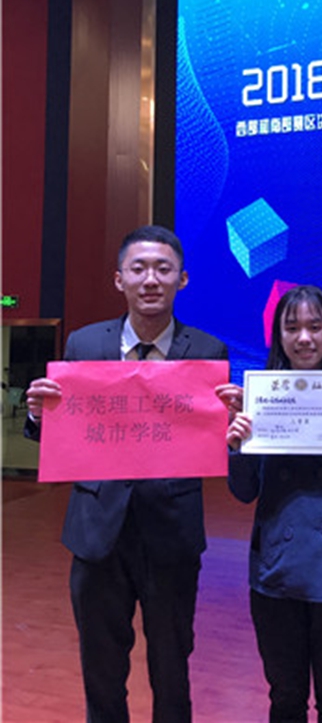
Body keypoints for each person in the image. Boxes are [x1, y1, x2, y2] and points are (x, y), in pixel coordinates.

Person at [25, 225, 228, 723]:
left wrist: (233, 423)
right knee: (101, 666)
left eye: (163, 269)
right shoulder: (83, 344)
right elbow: (62, 435)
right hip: (98, 533)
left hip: (171, 534)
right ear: (120, 279)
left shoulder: (208, 351)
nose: (150, 279)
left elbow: (214, 442)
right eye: (139, 269)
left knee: (172, 666)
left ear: (182, 279)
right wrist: (37, 416)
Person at [217, 285, 322, 723]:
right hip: (276, 569)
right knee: (285, 696)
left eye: (315, 326)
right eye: (292, 328)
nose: (304, 338)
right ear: (278, 335)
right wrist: (236, 446)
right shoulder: (258, 400)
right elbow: (243, 492)